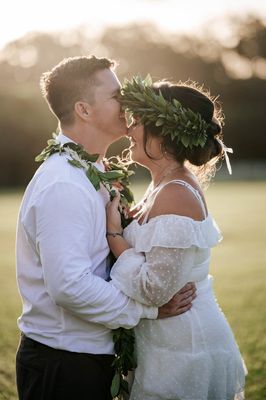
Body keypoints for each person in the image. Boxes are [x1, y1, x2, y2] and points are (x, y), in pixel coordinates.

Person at [15, 56, 196, 400]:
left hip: (91, 355)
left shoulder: (95, 171)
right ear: (83, 109)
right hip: (64, 363)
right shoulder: (64, 183)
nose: (126, 102)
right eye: (115, 94)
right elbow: (69, 286)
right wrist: (149, 310)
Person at [106, 76, 247, 400]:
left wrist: (114, 234)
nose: (129, 130)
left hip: (184, 348)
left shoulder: (176, 194)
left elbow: (154, 289)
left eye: (138, 121)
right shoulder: (162, 185)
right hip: (163, 341)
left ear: (165, 132)